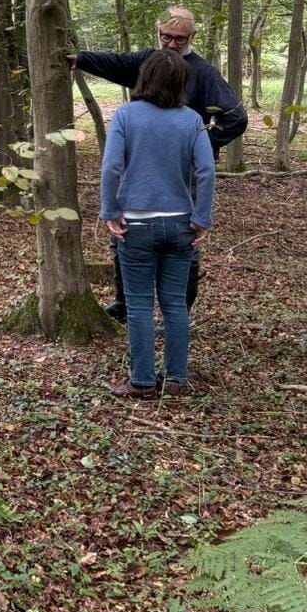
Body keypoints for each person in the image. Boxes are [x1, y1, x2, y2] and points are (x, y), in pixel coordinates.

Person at [71, 6, 246, 322]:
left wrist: (202, 145)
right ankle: (126, 305)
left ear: (191, 37)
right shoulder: (148, 63)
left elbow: (236, 117)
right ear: (158, 33)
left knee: (186, 244)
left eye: (180, 39)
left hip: (184, 176)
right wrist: (80, 59)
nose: (172, 44)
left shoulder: (203, 73)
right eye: (167, 36)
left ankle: (178, 312)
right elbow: (117, 63)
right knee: (123, 235)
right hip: (141, 171)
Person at [99, 50, 216, 398]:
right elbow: (207, 172)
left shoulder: (126, 116)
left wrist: (110, 211)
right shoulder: (192, 120)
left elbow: (111, 168)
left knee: (138, 304)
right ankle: (177, 379)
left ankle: (143, 381)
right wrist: (201, 218)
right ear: (182, 83)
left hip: (135, 224)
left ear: (144, 79)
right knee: (175, 303)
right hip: (180, 224)